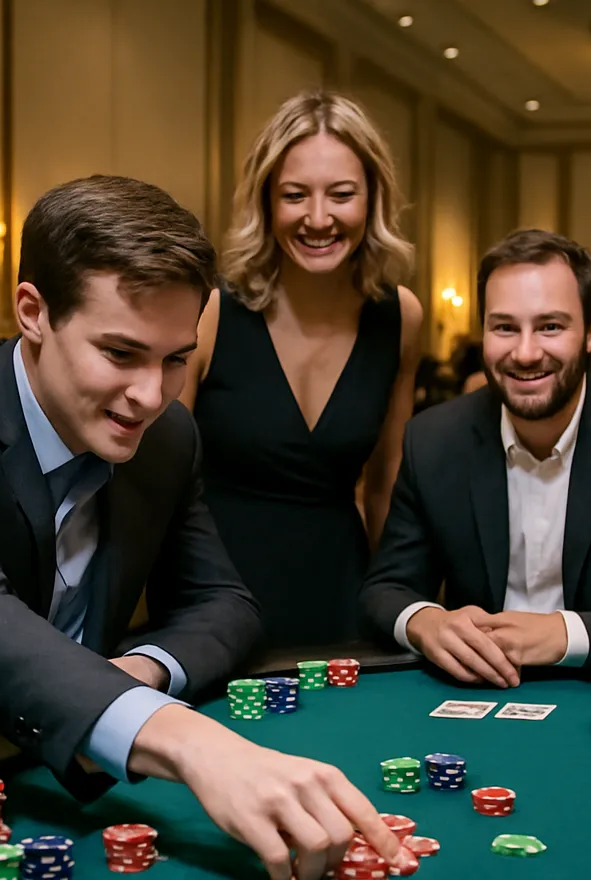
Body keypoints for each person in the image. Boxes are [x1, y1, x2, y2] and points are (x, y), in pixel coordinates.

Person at [0, 174, 401, 880]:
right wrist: (192, 742)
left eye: (176, 358)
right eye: (120, 353)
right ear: (33, 312)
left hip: (60, 784)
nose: (152, 395)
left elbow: (225, 603)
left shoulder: (168, 437)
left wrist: (136, 676)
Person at [360, 229, 591, 686]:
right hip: (472, 695)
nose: (526, 352)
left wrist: (560, 633)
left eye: (550, 326)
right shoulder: (434, 438)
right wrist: (425, 621)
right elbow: (385, 588)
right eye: (504, 327)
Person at [180, 91, 424, 647]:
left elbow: (387, 487)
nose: (319, 219)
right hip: (216, 599)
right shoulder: (212, 312)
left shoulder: (401, 317)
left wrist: (403, 611)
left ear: (373, 198)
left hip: (343, 597)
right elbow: (161, 487)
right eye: (295, 196)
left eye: (342, 195)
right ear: (266, 201)